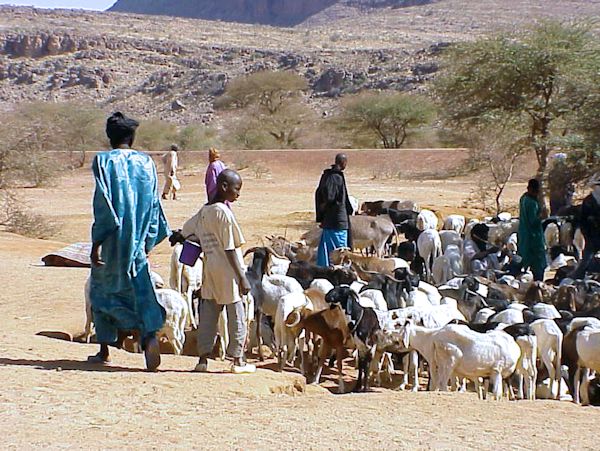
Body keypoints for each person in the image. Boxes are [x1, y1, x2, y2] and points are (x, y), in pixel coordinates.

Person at [88, 112, 170, 371]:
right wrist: (148, 239)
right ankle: (148, 336)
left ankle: (104, 348)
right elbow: (155, 204)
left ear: (109, 137)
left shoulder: (103, 161)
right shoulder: (146, 163)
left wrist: (96, 242)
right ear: (132, 137)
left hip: (112, 240)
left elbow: (103, 204)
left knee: (102, 290)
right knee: (140, 288)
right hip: (137, 239)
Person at [183, 169, 255, 374]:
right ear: (224, 187)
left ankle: (203, 359)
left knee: (208, 314)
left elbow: (188, 230)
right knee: (237, 314)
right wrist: (242, 277)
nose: (238, 193)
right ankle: (238, 360)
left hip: (210, 269)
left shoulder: (205, 210)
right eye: (236, 188)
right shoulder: (224, 213)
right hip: (228, 272)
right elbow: (230, 248)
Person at [315, 153, 353, 267]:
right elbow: (329, 196)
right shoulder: (334, 177)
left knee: (326, 247)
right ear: (343, 163)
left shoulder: (329, 176)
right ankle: (339, 271)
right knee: (340, 248)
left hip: (331, 218)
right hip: (337, 219)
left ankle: (324, 268)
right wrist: (326, 207)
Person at [570, 173, 600, 279]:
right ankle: (576, 278)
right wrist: (588, 235)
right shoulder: (588, 202)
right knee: (586, 259)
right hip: (592, 237)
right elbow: (583, 221)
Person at [518, 179, 547, 281]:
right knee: (538, 263)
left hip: (523, 235)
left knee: (524, 259)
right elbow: (533, 221)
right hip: (534, 238)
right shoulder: (532, 203)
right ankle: (538, 283)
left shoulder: (523, 199)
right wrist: (542, 216)